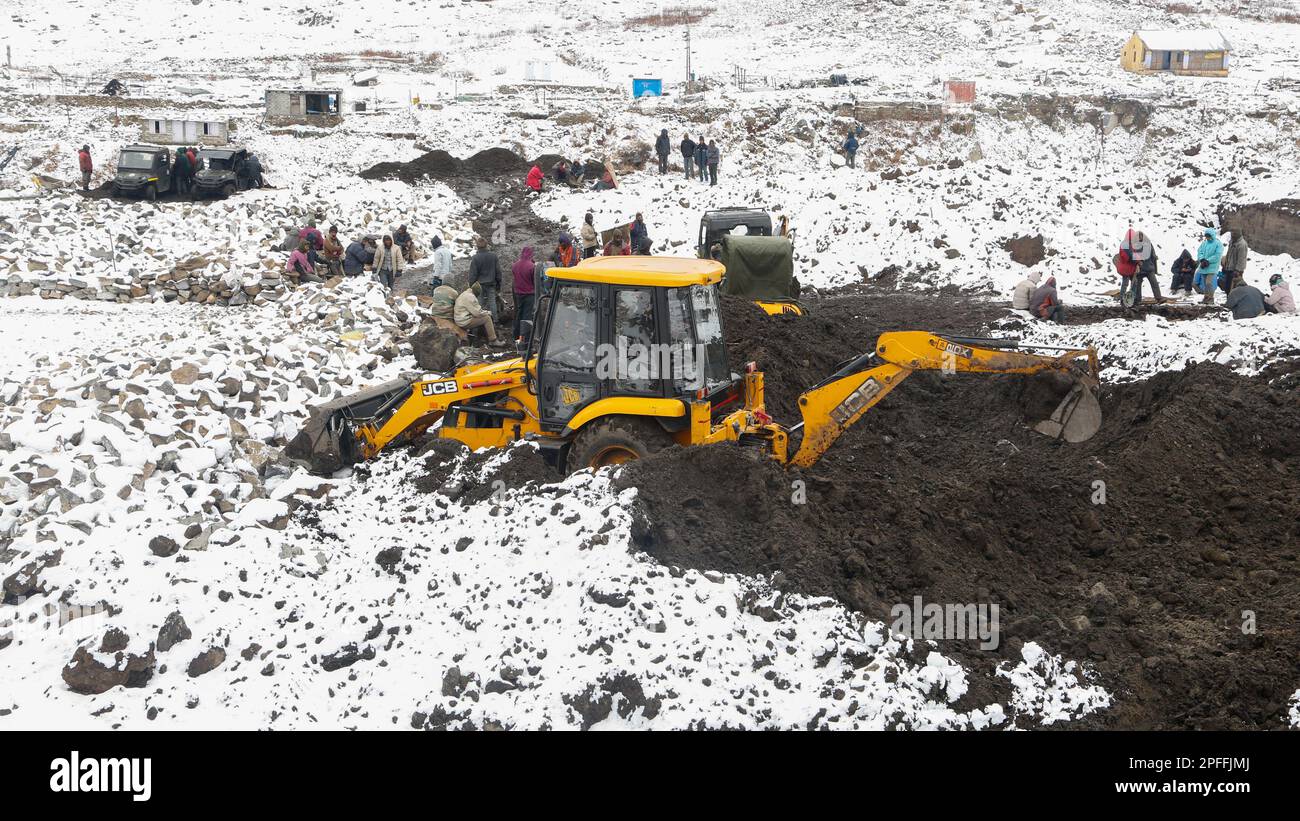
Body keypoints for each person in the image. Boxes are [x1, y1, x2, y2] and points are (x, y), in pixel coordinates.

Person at [469, 236, 502, 322]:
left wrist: (471, 285)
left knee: (480, 303)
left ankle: (481, 320)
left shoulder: (475, 258)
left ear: (477, 246)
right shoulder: (493, 256)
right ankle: (495, 320)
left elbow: (473, 274)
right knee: (492, 302)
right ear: (486, 245)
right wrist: (499, 283)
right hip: (491, 283)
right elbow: (498, 271)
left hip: (479, 284)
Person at [512, 246, 536, 344]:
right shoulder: (531, 266)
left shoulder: (515, 265)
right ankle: (525, 337)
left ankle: (516, 335)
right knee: (527, 316)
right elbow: (534, 280)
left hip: (518, 293)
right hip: (529, 294)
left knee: (518, 313)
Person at [1195, 227, 1224, 305]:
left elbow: (1217, 255)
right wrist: (1201, 259)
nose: (1207, 238)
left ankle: (1211, 298)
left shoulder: (1218, 244)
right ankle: (1206, 297)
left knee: (1209, 282)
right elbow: (1199, 251)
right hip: (1204, 266)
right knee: (1205, 283)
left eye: (1209, 236)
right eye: (1206, 236)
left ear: (1212, 235)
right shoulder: (1204, 243)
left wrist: (1208, 260)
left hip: (1212, 267)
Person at [1221, 230, 1249, 296]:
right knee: (1227, 287)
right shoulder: (1232, 242)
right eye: (1232, 234)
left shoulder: (1242, 244)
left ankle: (1234, 303)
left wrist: (1238, 270)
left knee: (1234, 288)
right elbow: (1228, 254)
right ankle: (1228, 301)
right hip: (1229, 268)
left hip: (1236, 270)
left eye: (1234, 234)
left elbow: (1241, 259)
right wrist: (1225, 265)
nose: (1232, 235)